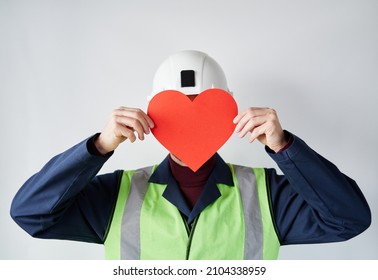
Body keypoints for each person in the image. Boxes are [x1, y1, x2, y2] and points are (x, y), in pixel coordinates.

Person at [10, 50, 371, 260]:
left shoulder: (268, 196)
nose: (190, 124)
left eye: (203, 110)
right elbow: (30, 213)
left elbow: (350, 219)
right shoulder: (116, 195)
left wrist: (284, 147)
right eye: (177, 112)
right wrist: (98, 147)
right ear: (152, 115)